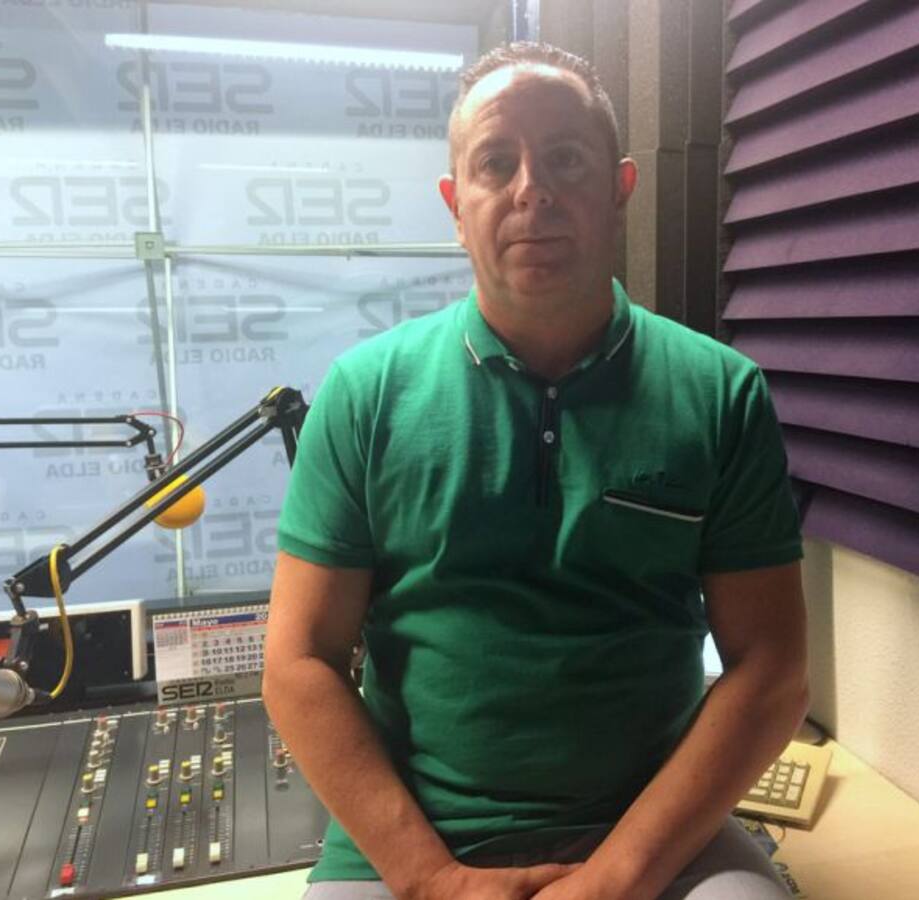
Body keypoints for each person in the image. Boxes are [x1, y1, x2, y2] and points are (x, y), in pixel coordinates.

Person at [264, 42, 808, 900]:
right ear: (456, 204)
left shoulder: (720, 394)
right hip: (410, 843)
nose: (532, 191)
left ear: (621, 188)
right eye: (495, 162)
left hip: (659, 836)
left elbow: (772, 667)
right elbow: (299, 661)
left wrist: (617, 878)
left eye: (565, 158)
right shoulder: (365, 394)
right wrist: (432, 880)